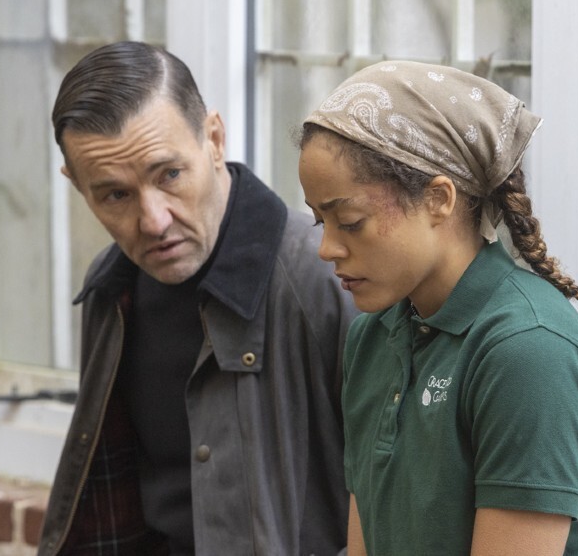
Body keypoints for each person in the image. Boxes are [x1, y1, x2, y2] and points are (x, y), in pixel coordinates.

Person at [297, 61, 578, 555]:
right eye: (318, 221)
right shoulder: (372, 337)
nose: (327, 248)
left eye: (349, 221)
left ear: (439, 198)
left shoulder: (529, 354)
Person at [38, 41, 357, 556]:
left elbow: (403, 509)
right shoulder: (110, 290)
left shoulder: (327, 277)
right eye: (115, 194)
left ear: (214, 139)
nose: (153, 220)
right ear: (76, 185)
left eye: (169, 175)